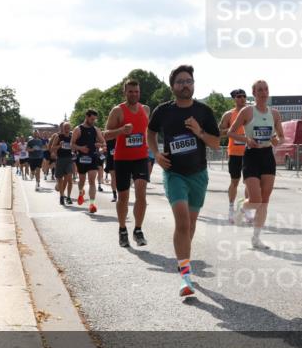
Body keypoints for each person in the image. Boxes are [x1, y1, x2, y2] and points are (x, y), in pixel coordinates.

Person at [147, 65, 220, 297]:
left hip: (198, 174)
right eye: (180, 82)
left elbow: (216, 144)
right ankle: (185, 276)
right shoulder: (163, 111)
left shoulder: (204, 111)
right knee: (182, 222)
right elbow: (150, 132)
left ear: (194, 84)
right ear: (172, 87)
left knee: (190, 223)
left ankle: (183, 259)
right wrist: (156, 155)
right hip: (174, 173)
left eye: (188, 81)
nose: (185, 85)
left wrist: (199, 131)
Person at [229, 80, 284, 250]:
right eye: (259, 90)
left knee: (265, 201)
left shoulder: (274, 113)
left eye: (266, 89)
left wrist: (276, 140)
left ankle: (256, 238)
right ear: (254, 93)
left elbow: (281, 137)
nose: (263, 92)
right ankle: (241, 207)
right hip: (251, 155)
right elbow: (231, 132)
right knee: (256, 199)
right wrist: (247, 139)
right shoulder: (247, 111)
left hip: (267, 156)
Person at [103, 78, 151, 248]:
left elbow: (148, 133)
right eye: (130, 91)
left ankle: (138, 230)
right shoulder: (118, 111)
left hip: (141, 157)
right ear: (125, 92)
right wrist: (121, 131)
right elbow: (106, 134)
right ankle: (122, 229)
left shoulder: (145, 109)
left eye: (136, 91)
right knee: (123, 197)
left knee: (141, 193)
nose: (134, 94)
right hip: (122, 159)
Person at [219, 89, 250, 224]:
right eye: (239, 96)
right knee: (235, 181)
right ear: (234, 99)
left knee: (250, 182)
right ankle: (231, 208)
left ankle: (246, 209)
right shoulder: (229, 114)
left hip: (250, 152)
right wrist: (232, 130)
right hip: (234, 152)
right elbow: (219, 132)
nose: (242, 99)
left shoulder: (251, 113)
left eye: (244, 96)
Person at [72, 109, 106, 213]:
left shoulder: (96, 129)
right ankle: (81, 192)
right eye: (92, 119)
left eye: (95, 119)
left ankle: (92, 204)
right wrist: (81, 148)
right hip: (81, 158)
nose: (93, 121)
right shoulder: (78, 129)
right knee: (82, 181)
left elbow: (103, 142)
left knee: (92, 181)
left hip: (92, 158)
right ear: (86, 116)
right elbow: (71, 144)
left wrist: (102, 148)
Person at [50, 122, 75, 205]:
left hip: (69, 159)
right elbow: (52, 148)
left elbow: (75, 147)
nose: (67, 130)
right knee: (60, 180)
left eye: (68, 128)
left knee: (69, 179)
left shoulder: (72, 137)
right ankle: (61, 196)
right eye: (65, 128)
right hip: (60, 159)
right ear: (63, 129)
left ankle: (68, 197)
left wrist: (74, 149)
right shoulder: (59, 137)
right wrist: (59, 146)